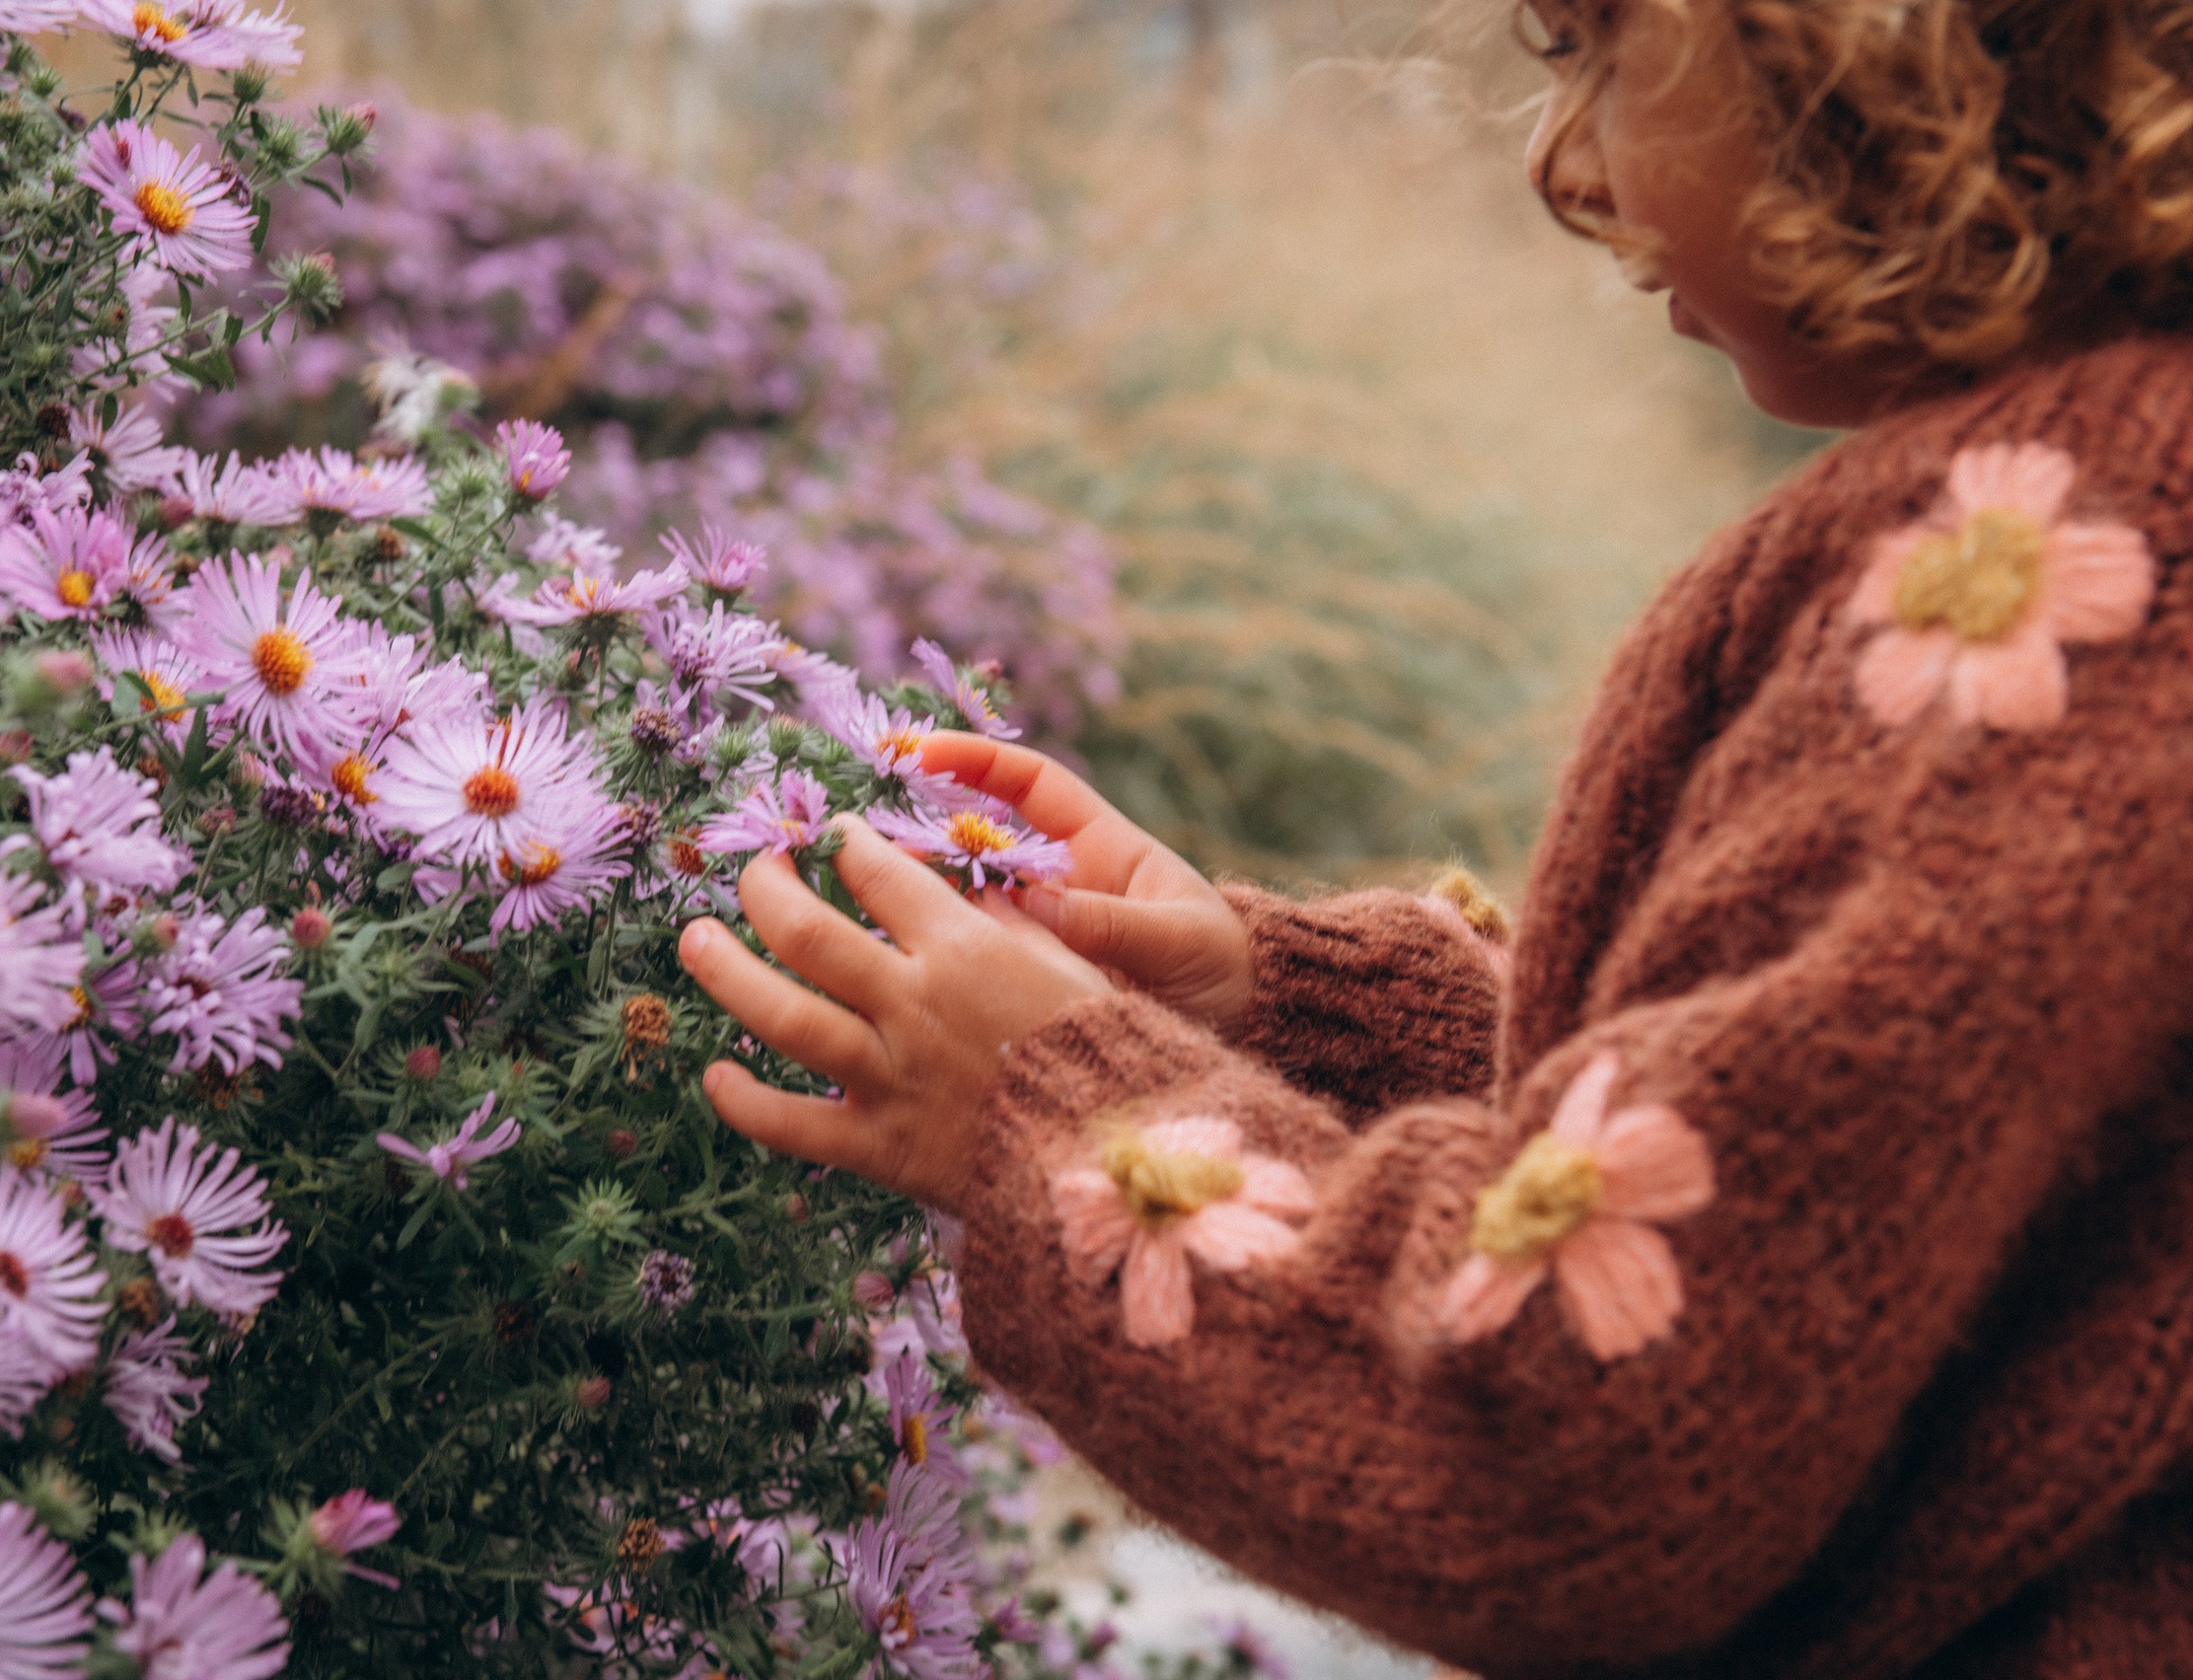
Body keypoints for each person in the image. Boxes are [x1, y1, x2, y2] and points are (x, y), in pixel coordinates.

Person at [677, 0, 2193, 1671]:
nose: (1570, 162)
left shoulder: (2064, 603)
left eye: (1602, 42)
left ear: (1867, 49)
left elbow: (1568, 1448)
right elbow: (1848, 1174)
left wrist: (1056, 1122)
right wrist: (1298, 1012)